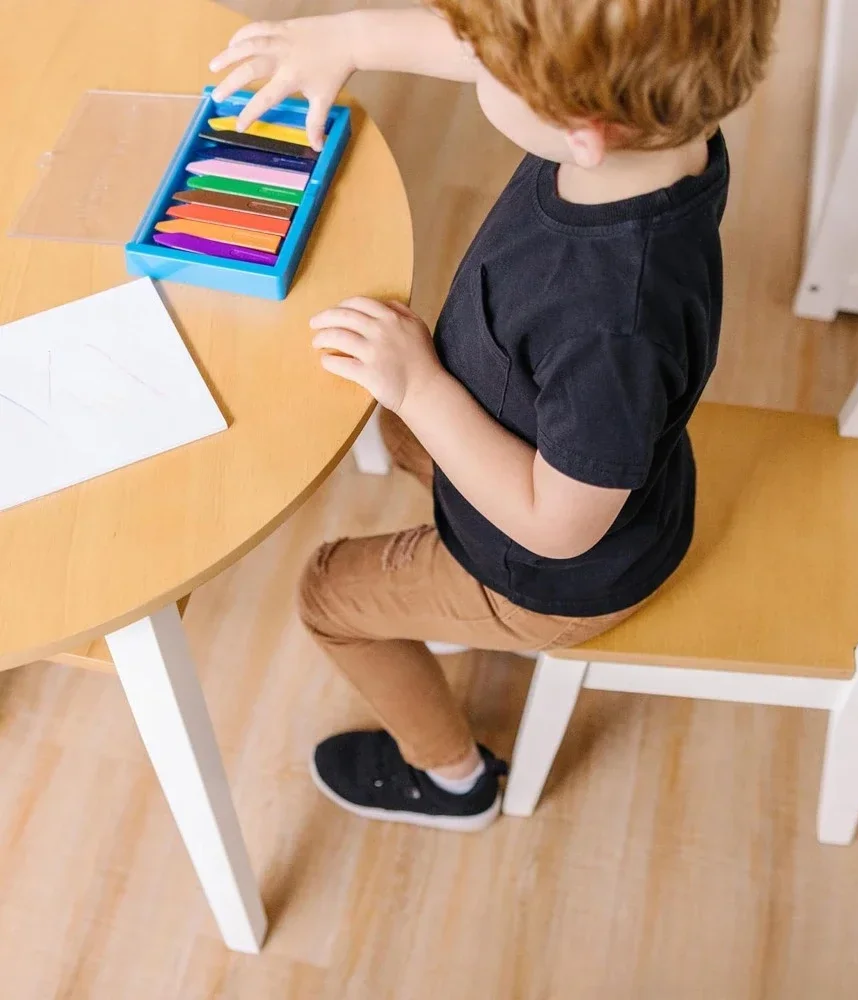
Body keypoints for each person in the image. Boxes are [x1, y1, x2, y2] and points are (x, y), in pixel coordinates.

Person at [210, 0, 778, 832]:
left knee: (330, 594)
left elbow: (559, 525)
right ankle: (441, 592)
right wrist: (347, 38)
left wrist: (425, 389)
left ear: (583, 126)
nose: (472, 57)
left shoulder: (611, 323)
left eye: (492, 60)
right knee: (400, 427)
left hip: (551, 571)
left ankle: (450, 779)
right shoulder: (663, 136)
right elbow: (495, 50)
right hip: (544, 444)